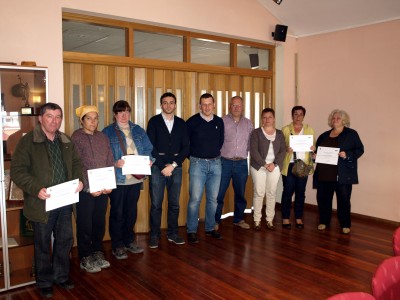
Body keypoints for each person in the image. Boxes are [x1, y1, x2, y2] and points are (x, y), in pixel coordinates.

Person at [10, 103, 83, 298]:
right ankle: (44, 281)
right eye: (49, 116)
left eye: (58, 116)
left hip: (65, 200)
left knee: (65, 240)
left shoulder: (65, 139)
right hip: (42, 203)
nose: (54, 120)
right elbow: (18, 171)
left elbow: (77, 163)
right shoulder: (28, 142)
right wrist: (35, 189)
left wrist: (80, 181)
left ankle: (61, 276)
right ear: (40, 118)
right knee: (42, 243)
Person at [102, 100, 153, 259]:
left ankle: (129, 240)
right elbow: (104, 155)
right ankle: (117, 245)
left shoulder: (138, 130)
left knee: (131, 211)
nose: (124, 115)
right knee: (117, 212)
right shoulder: (108, 132)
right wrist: (114, 163)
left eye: (127, 112)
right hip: (118, 179)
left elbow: (148, 149)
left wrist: (150, 160)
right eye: (120, 112)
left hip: (135, 179)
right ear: (115, 114)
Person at [71, 105, 114, 273]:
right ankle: (85, 256)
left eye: (95, 118)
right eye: (88, 118)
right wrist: (88, 187)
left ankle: (97, 252)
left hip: (103, 189)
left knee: (99, 222)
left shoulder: (102, 137)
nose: (93, 122)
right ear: (81, 120)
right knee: (85, 224)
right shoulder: (76, 137)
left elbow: (110, 159)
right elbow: (77, 165)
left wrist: (110, 183)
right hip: (85, 190)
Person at [147, 92, 190, 249]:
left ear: (175, 105)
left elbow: (186, 147)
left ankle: (173, 233)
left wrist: (173, 165)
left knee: (174, 204)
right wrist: (162, 166)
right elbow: (150, 147)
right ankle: (154, 235)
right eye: (165, 103)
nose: (168, 105)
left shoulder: (181, 123)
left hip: (176, 168)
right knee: (156, 204)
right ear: (161, 105)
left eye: (171, 102)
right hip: (158, 169)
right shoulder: (154, 122)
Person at [313, 109, 364, 234]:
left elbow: (360, 149)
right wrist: (314, 156)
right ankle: (324, 221)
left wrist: (347, 154)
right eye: (333, 118)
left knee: (344, 201)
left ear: (344, 121)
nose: (335, 120)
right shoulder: (324, 135)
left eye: (338, 118)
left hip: (342, 175)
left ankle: (345, 224)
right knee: (323, 200)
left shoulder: (351, 134)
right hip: (324, 174)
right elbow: (317, 153)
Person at [186, 93, 224, 243]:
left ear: (214, 105)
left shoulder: (219, 121)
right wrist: (195, 157)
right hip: (197, 164)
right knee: (195, 199)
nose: (207, 107)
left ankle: (209, 228)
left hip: (216, 164)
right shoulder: (192, 122)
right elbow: (186, 143)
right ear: (199, 105)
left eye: (209, 104)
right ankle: (191, 230)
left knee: (213, 199)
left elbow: (220, 142)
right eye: (204, 104)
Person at [215, 96, 254, 230]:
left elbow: (250, 144)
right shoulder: (222, 121)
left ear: (242, 107)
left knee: (240, 193)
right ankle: (215, 220)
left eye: (239, 105)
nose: (236, 108)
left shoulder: (249, 123)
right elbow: (218, 141)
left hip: (241, 163)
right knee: (219, 194)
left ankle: (238, 219)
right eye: (234, 105)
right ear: (230, 107)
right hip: (224, 162)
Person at [250, 108, 285, 231]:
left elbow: (282, 151)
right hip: (258, 167)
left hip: (274, 167)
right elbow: (253, 151)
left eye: (270, 117)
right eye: (264, 117)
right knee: (259, 193)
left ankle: (269, 219)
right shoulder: (256, 133)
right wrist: (265, 164)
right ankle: (257, 220)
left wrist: (274, 164)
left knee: (271, 193)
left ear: (274, 119)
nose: (267, 120)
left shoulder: (280, 134)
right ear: (261, 119)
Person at [281, 106, 315, 229]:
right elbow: (280, 148)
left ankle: (299, 218)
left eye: (300, 114)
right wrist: (286, 149)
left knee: (301, 193)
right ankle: (285, 218)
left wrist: (313, 149)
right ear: (292, 115)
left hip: (304, 165)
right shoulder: (285, 129)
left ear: (303, 116)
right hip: (289, 164)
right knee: (287, 192)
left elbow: (312, 148)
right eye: (295, 114)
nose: (298, 117)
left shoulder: (309, 129)